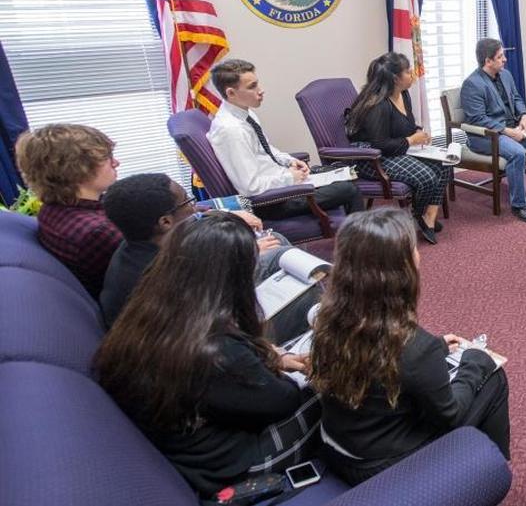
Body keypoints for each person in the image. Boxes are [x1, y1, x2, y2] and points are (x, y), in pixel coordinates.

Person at [93, 213, 317, 497]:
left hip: (194, 444)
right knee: (338, 379)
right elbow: (284, 402)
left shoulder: (149, 312)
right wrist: (277, 364)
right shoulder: (215, 349)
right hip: (235, 462)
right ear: (234, 277)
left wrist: (274, 358)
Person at [310, 209, 510, 484]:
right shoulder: (413, 346)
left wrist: (438, 347)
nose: (419, 255)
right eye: (414, 249)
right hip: (380, 467)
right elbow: (449, 416)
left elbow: (380, 368)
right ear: (398, 271)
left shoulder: (326, 316)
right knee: (493, 378)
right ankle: (487, 474)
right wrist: (476, 362)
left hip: (336, 445)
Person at [100, 173, 289, 328]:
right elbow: (220, 313)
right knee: (285, 262)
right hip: (211, 339)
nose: (194, 209)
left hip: (205, 317)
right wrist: (247, 254)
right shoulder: (160, 276)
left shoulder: (137, 244)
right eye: (187, 202)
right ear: (165, 222)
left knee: (276, 247)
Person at [207, 58, 364, 220]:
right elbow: (250, 187)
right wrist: (290, 178)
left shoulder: (245, 114)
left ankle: (352, 235)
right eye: (252, 87)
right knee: (349, 189)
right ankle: (359, 242)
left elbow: (266, 150)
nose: (261, 90)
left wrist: (289, 161)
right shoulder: (231, 131)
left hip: (281, 182)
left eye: (257, 84)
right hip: (273, 201)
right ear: (231, 93)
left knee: (341, 174)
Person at [345, 52, 450, 244]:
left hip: (397, 150)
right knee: (427, 177)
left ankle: (429, 216)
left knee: (445, 164)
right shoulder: (378, 105)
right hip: (371, 158)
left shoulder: (403, 93)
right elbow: (380, 144)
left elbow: (406, 126)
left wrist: (418, 133)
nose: (413, 75)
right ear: (396, 79)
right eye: (408, 72)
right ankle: (414, 218)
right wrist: (411, 140)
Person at [460, 38, 526, 223]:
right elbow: (478, 119)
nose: (505, 59)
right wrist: (507, 131)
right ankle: (519, 205)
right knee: (517, 153)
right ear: (487, 61)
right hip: (486, 136)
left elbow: (516, 98)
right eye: (500, 56)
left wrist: (524, 115)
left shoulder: (505, 75)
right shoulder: (472, 84)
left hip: (513, 126)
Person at [14, 123, 122, 296]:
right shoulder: (98, 232)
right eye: (107, 157)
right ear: (78, 168)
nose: (116, 163)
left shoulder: (50, 210)